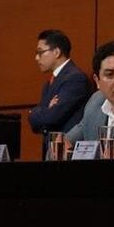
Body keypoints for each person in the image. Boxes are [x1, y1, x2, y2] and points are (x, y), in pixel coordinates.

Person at [28, 29, 93, 158]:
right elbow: (36, 124)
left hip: (69, 153)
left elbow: (52, 117)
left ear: (57, 52)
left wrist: (34, 112)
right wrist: (42, 112)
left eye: (40, 52)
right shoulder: (49, 83)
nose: (36, 58)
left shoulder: (75, 78)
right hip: (52, 151)